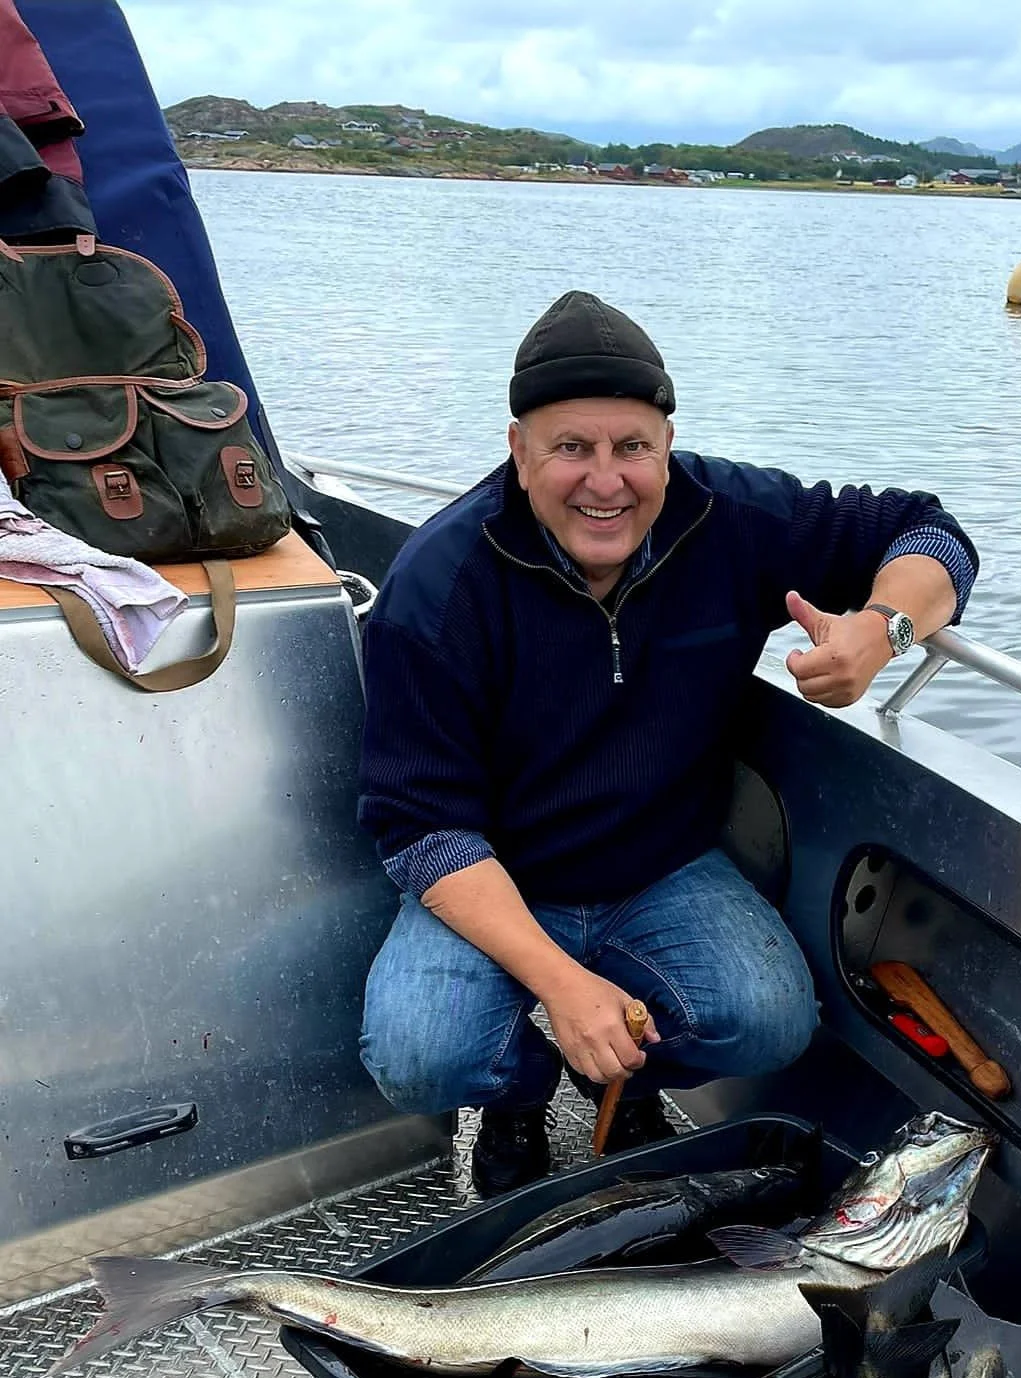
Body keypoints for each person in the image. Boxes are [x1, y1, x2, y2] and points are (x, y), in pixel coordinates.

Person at [358, 291, 978, 1195]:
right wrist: (562, 988)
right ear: (518, 451)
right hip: (495, 872)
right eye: (571, 447)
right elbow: (421, 827)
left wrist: (880, 631)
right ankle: (518, 1095)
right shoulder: (440, 581)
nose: (605, 482)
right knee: (417, 1055)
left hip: (663, 863)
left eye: (631, 448)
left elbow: (932, 533)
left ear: (666, 447)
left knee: (772, 1022)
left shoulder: (726, 517)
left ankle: (624, 1069)